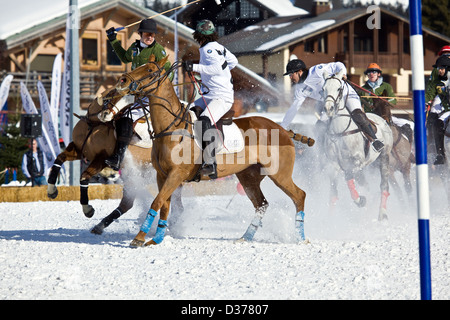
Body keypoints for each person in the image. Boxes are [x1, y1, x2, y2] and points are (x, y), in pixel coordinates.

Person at [104, 19, 173, 170]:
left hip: (149, 95)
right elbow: (125, 58)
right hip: (133, 92)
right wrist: (113, 40)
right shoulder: (135, 47)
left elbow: (169, 72)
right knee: (110, 108)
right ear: (140, 34)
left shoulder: (157, 50)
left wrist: (159, 87)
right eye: (147, 34)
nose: (150, 37)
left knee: (128, 116)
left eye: (153, 35)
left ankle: (118, 157)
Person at [281, 59, 385, 152]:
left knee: (358, 114)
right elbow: (294, 108)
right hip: (330, 104)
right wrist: (283, 126)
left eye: (291, 74)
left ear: (300, 72)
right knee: (319, 127)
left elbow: (338, 65)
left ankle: (375, 140)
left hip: (346, 94)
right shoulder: (299, 89)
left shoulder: (316, 70)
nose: (290, 77)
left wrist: (343, 74)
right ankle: (322, 154)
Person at [182, 19, 238, 179]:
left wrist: (194, 67)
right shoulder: (219, 47)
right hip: (211, 94)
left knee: (204, 121)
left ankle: (210, 163)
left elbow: (215, 68)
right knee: (188, 113)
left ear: (198, 35)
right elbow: (233, 62)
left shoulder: (208, 49)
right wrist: (218, 77)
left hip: (221, 97)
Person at [360, 63, 413, 141]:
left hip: (385, 116)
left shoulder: (386, 86)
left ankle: (410, 144)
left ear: (378, 74)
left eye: (374, 72)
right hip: (369, 118)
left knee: (409, 125)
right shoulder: (363, 89)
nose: (371, 74)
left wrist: (383, 102)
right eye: (369, 72)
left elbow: (393, 100)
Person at [425, 55, 450, 165]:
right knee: (438, 123)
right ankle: (440, 154)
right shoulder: (437, 82)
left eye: (442, 68)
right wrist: (425, 102)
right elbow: (430, 93)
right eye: (438, 68)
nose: (439, 71)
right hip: (448, 110)